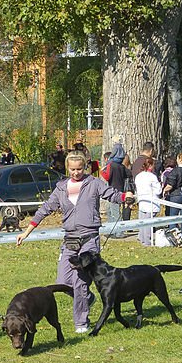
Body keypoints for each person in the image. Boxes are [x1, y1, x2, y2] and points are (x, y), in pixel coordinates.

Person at [16, 152, 132, 334]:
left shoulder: (93, 183)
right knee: (62, 282)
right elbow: (45, 209)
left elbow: (111, 194)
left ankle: (81, 322)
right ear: (67, 168)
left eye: (79, 169)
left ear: (84, 167)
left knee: (80, 283)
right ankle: (88, 298)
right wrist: (26, 232)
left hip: (89, 238)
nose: (76, 173)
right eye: (72, 169)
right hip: (69, 238)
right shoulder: (61, 187)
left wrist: (126, 197)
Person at [134, 156, 162, 246]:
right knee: (148, 222)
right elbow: (158, 190)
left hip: (142, 200)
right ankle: (147, 241)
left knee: (142, 220)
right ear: (150, 165)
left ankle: (141, 237)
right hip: (151, 201)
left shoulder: (138, 176)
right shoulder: (152, 177)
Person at [102, 141, 129, 232]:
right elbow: (128, 175)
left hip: (113, 192)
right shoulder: (121, 166)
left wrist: (102, 171)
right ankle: (112, 230)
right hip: (120, 190)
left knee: (115, 213)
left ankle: (119, 232)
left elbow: (107, 176)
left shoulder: (111, 165)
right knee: (111, 212)